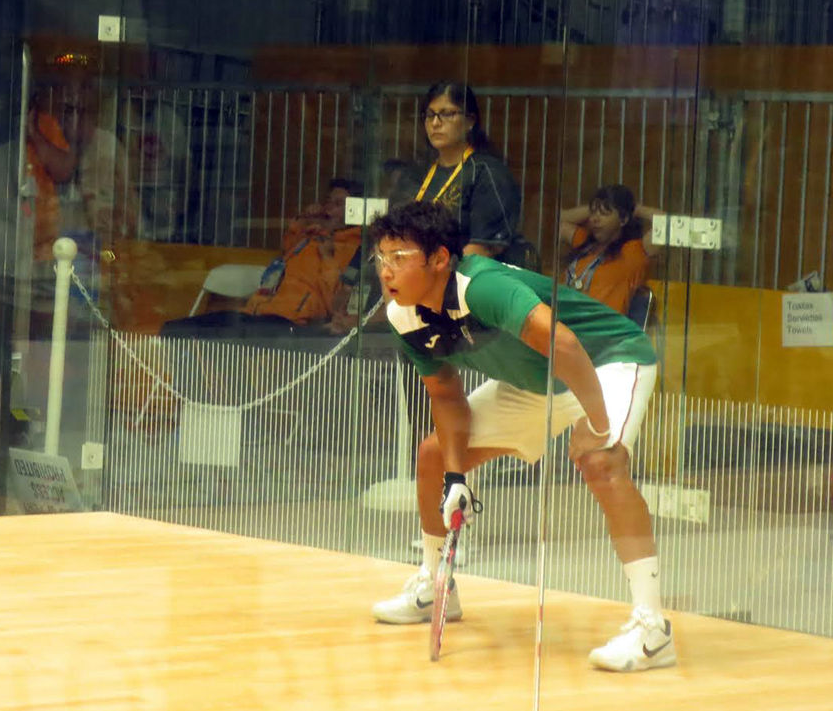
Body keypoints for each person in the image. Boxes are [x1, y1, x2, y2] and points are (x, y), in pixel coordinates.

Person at [368, 201, 675, 673]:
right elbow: (448, 398)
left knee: (601, 463)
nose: (386, 271)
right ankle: (437, 588)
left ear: (439, 259)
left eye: (400, 257)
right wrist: (455, 478)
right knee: (433, 455)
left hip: (608, 361)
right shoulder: (404, 316)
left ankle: (653, 627)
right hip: (535, 384)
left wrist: (595, 427)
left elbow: (565, 344)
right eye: (381, 258)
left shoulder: (482, 286)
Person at [159, 179, 366, 349]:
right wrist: (303, 220)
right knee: (174, 331)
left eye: (339, 204)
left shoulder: (354, 249)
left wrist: (328, 258)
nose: (329, 209)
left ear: (355, 211)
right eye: (328, 202)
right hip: (256, 313)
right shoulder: (311, 236)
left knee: (219, 341)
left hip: (291, 324)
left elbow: (335, 304)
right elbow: (286, 251)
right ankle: (191, 393)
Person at [414, 81, 534, 269]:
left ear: (470, 121)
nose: (436, 123)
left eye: (447, 114)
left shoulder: (488, 173)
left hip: (461, 283)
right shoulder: (417, 172)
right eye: (430, 115)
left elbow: (480, 250)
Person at [558, 185, 664, 317]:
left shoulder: (634, 252)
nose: (595, 219)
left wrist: (631, 208)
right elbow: (559, 220)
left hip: (600, 329)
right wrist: (599, 205)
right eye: (593, 213)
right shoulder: (585, 242)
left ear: (623, 219)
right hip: (564, 320)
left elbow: (664, 223)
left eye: (604, 213)